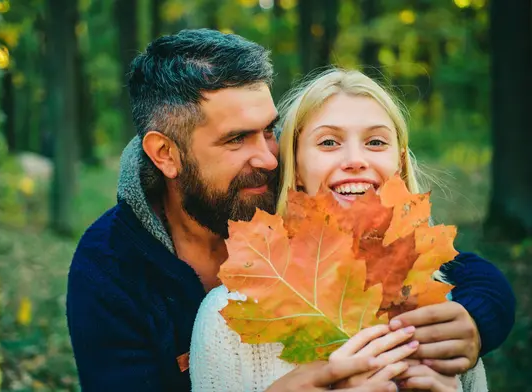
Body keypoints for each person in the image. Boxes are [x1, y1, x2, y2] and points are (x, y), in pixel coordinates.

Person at [66, 29, 515, 392]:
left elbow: (446, 266)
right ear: (165, 154)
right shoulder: (109, 269)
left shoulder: (286, 193)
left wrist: (480, 314)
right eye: (236, 138)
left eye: (269, 130)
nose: (267, 156)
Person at [189, 69, 492, 392]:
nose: (355, 159)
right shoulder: (227, 315)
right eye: (329, 142)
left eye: (376, 142)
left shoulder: (445, 307)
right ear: (297, 166)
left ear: (400, 164)